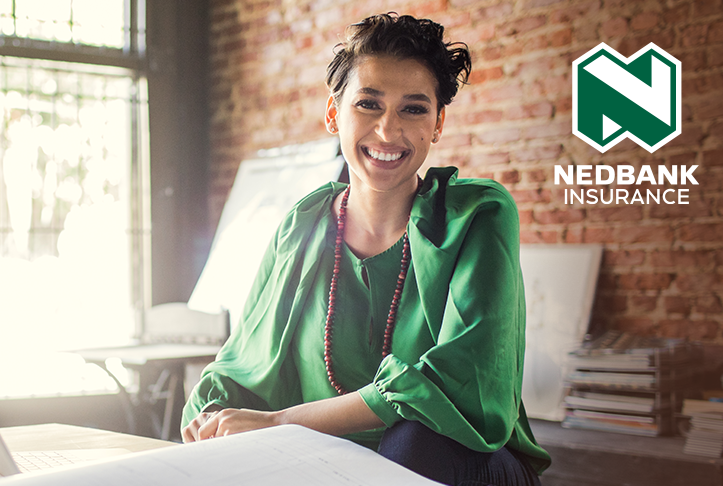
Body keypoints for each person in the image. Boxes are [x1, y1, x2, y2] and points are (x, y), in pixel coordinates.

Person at [180, 12, 550, 486]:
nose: (388, 132)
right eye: (369, 104)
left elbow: (465, 385)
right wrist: (210, 420)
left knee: (413, 440)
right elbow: (239, 366)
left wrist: (278, 422)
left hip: (457, 464)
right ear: (334, 114)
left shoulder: (478, 216)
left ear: (438, 123)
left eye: (413, 109)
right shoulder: (303, 227)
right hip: (328, 468)